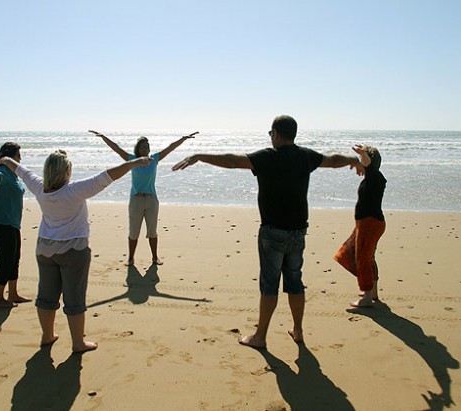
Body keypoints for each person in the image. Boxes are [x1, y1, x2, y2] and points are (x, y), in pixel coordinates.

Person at [172, 115, 366, 349]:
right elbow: (333, 160)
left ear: (275, 133)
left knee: (269, 284)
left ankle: (260, 336)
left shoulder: (267, 157)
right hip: (298, 231)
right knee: (295, 281)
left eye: (270, 134)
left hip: (272, 232)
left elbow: (233, 161)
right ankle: (298, 330)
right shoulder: (305, 156)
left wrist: (200, 156)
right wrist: (353, 160)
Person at [0, 149, 152, 353]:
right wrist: (135, 163)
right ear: (66, 172)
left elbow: (22, 171)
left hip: (45, 250)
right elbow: (107, 176)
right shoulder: (74, 190)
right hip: (74, 251)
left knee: (46, 295)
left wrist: (7, 160)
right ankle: (78, 342)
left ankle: (47, 335)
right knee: (74, 298)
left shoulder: (39, 188)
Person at [89, 130, 198, 266]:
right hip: (136, 200)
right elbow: (116, 148)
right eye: (142, 147)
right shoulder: (132, 160)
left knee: (152, 231)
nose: (145, 149)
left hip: (152, 200)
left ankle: (155, 257)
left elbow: (170, 147)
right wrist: (103, 137)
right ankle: (130, 258)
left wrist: (183, 138)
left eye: (147, 146)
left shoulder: (154, 159)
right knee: (134, 232)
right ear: (138, 149)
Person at [334, 144, 386, 307]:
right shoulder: (373, 178)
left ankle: (367, 297)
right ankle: (372, 291)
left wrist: (362, 154)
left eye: (364, 160)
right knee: (357, 255)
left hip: (370, 223)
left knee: (362, 258)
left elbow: (368, 165)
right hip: (367, 223)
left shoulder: (375, 177)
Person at [0, 142, 31, 308]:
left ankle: (13, 294)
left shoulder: (13, 174)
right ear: (10, 157)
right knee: (6, 260)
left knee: (15, 258)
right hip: (2, 222)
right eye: (18, 155)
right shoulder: (3, 170)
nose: (21, 158)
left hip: (13, 222)